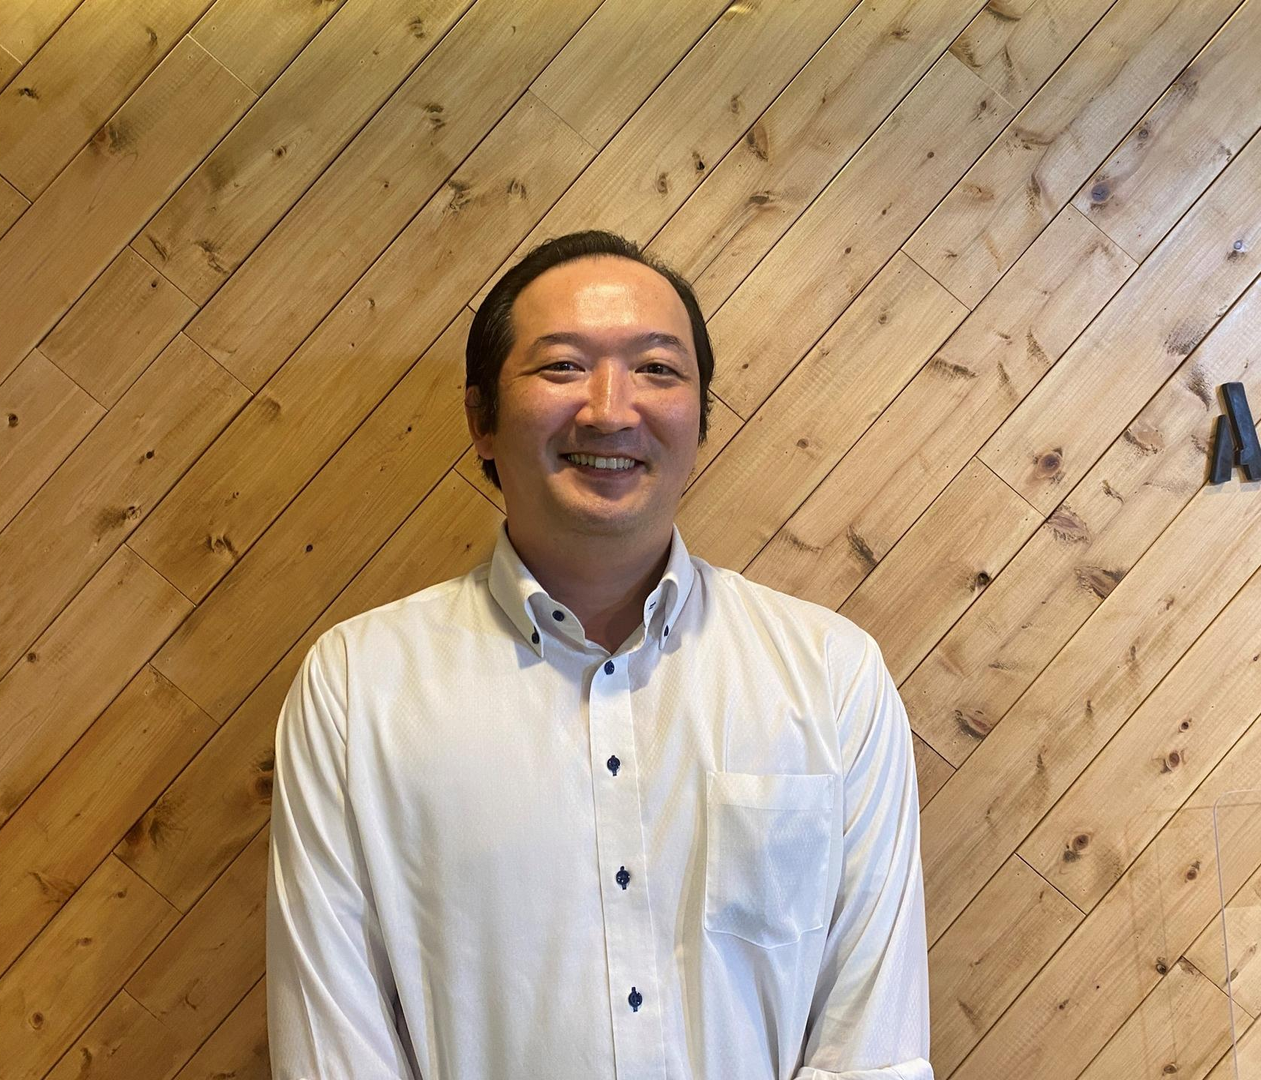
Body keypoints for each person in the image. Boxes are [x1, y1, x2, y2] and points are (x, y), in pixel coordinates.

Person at [265, 229, 932, 1079]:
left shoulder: (831, 676)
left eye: (656, 369)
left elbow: (872, 1047)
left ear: (700, 416)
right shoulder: (358, 687)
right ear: (481, 420)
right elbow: (333, 1049)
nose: (611, 410)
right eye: (563, 367)